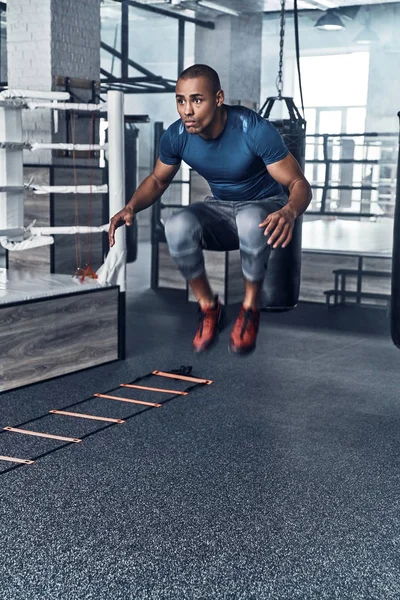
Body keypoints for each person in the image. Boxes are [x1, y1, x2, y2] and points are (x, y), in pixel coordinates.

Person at [109, 64, 312, 356]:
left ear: (218, 98)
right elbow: (157, 179)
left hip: (265, 209)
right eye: (180, 100)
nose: (187, 110)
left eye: (196, 99)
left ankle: (250, 308)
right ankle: (208, 307)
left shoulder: (252, 129)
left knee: (250, 218)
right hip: (220, 210)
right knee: (176, 224)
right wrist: (130, 207)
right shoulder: (177, 135)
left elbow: (298, 183)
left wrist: (290, 212)